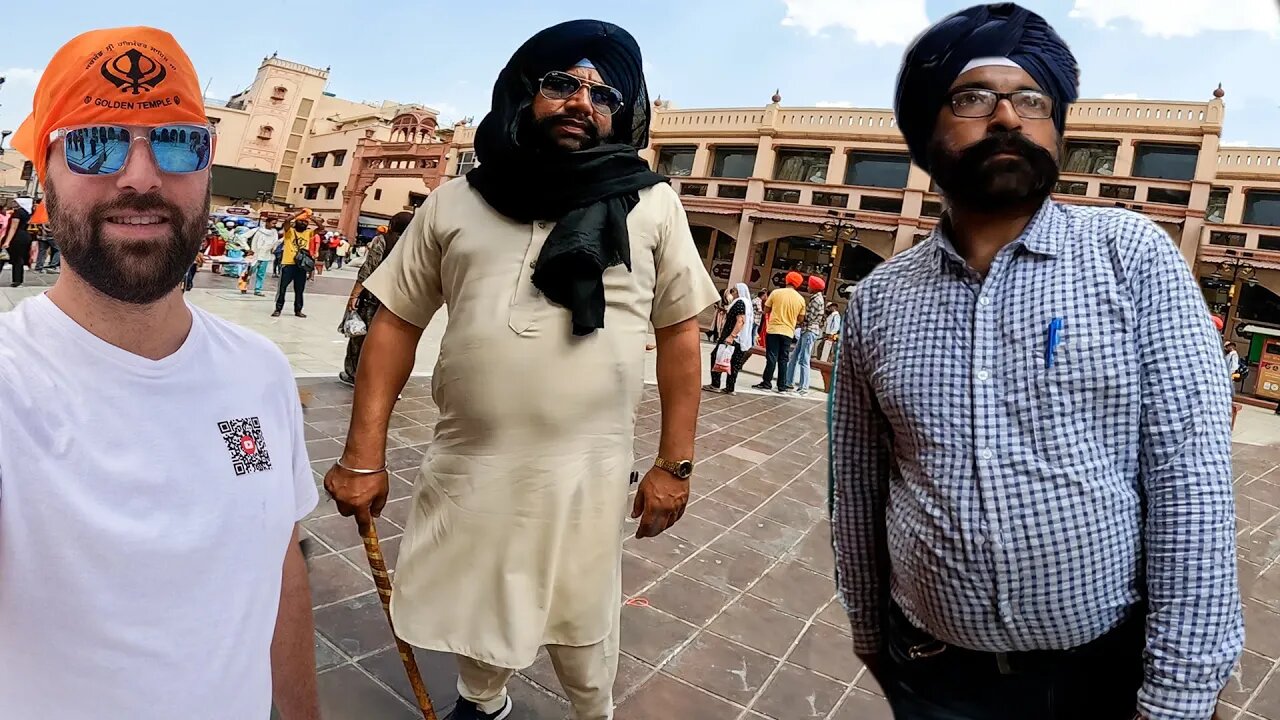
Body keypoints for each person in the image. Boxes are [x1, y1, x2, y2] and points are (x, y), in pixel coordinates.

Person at [831, 5, 1241, 720]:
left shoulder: (1132, 259)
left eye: (1032, 100)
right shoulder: (880, 302)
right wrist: (871, 633)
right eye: (972, 98)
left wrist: (1180, 693)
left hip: (1102, 676)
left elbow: (1191, 482)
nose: (1008, 118)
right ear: (928, 130)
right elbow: (857, 489)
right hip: (933, 674)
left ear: (1057, 128)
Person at [323, 21, 717, 720]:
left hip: (587, 472)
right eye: (562, 83)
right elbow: (397, 323)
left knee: (581, 618)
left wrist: (675, 465)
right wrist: (362, 454)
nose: (581, 103)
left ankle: (594, 714)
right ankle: (484, 701)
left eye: (603, 94)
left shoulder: (652, 204)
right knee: (482, 595)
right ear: (522, 93)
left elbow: (680, 335)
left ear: (624, 113)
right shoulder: (458, 201)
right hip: (472, 463)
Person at [0, 27, 319, 719]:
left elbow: (281, 566)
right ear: (43, 181)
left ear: (206, 170)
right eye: (94, 142)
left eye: (178, 141)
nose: (141, 176)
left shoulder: (260, 372)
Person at [338, 211, 413, 387]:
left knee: (361, 338)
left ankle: (354, 374)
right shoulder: (414, 245)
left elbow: (368, 268)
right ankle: (388, 381)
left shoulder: (383, 241)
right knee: (392, 341)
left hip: (374, 298)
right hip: (400, 301)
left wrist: (355, 294)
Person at [753, 271, 805, 393]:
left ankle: (767, 383)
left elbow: (766, 310)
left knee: (771, 356)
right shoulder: (801, 299)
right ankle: (781, 386)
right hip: (788, 332)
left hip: (774, 329)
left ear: (786, 280)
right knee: (784, 358)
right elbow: (801, 318)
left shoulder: (776, 293)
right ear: (798, 284)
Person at [702, 281, 753, 395]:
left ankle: (715, 384)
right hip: (740, 339)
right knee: (734, 362)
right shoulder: (746, 303)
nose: (732, 293)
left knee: (716, 356)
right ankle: (730, 387)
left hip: (732, 337)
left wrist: (731, 336)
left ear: (738, 292)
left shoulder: (739, 303)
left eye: (733, 290)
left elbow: (740, 321)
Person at [273, 210, 321, 318]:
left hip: (301, 265)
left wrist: (311, 217)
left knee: (299, 289)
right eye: (301, 221)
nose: (303, 223)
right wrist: (299, 213)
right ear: (296, 222)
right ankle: (278, 309)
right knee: (282, 288)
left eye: (305, 222)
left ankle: (298, 310)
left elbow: (321, 228)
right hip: (288, 264)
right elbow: (286, 221)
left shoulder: (308, 233)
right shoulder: (289, 231)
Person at [786, 275, 826, 396]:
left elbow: (809, 317)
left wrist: (798, 316)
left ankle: (804, 387)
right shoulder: (817, 298)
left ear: (813, 287)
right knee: (794, 357)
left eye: (809, 285)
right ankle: (788, 382)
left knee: (804, 359)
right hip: (806, 331)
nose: (807, 287)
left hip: (809, 331)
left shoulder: (816, 300)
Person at [0, 199, 33, 287]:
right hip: (25, 236)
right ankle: (18, 280)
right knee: (18, 259)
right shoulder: (28, 213)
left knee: (2, 257)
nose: (13, 203)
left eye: (15, 202)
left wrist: (7, 241)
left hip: (16, 237)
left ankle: (17, 280)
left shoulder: (17, 213)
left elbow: (13, 228)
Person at [247, 219, 279, 297]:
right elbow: (254, 241)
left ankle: (258, 289)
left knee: (261, 274)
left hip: (266, 255)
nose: (274, 225)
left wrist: (273, 248)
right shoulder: (259, 231)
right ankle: (244, 286)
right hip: (257, 255)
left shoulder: (274, 232)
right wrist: (252, 251)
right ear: (267, 222)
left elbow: (275, 241)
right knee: (249, 272)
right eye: (273, 223)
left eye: (275, 223)